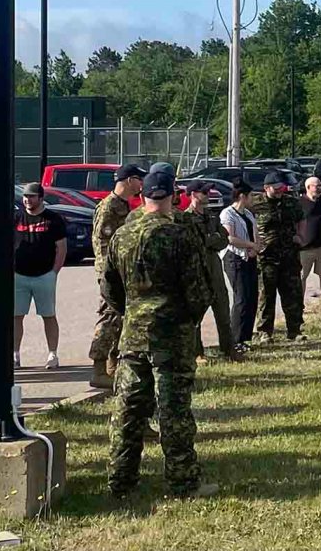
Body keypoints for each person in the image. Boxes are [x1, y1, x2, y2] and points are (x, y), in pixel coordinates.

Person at [102, 168, 216, 499]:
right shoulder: (178, 235)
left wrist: (132, 311)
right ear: (172, 196)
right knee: (174, 410)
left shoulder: (122, 235)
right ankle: (183, 481)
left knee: (128, 409)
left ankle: (120, 480)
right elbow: (199, 290)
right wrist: (190, 319)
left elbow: (110, 288)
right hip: (171, 333)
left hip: (133, 334)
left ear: (142, 196)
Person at [90, 163, 145, 389]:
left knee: (121, 319)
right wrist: (110, 275)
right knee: (109, 318)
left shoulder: (123, 205)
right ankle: (98, 368)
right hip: (111, 274)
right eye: (139, 179)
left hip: (122, 271)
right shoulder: (109, 206)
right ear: (129, 180)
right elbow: (102, 244)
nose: (141, 183)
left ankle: (113, 365)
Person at [12, 183, 66, 370]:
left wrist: (54, 272)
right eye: (26, 196)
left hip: (44, 275)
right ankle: (15, 355)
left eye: (32, 196)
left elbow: (61, 247)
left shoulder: (53, 219)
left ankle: (53, 354)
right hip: (19, 274)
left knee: (48, 315)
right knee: (16, 316)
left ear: (41, 198)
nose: (28, 200)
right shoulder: (17, 217)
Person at [181, 180, 234, 360]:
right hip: (197, 271)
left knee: (223, 312)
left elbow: (224, 240)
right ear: (194, 195)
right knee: (196, 316)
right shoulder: (185, 218)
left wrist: (211, 239)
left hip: (215, 269)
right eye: (204, 192)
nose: (208, 195)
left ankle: (228, 350)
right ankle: (198, 353)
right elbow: (193, 243)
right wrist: (212, 238)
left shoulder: (212, 216)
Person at [251, 171, 305, 343]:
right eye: (276, 188)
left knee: (293, 294)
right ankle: (264, 332)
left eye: (282, 187)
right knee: (266, 295)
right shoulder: (255, 204)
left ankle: (294, 330)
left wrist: (300, 236)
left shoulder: (291, 202)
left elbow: (301, 220)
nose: (280, 190)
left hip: (289, 255)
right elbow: (246, 223)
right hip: (266, 257)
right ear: (266, 188)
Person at [218, 182, 259, 350]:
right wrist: (250, 245)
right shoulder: (227, 214)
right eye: (251, 196)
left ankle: (245, 337)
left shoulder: (248, 214)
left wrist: (255, 247)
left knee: (251, 297)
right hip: (234, 258)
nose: (253, 199)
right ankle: (235, 340)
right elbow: (230, 238)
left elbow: (255, 233)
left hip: (249, 257)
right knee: (241, 298)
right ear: (242, 196)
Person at [295, 176, 321, 296]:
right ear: (308, 187)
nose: (320, 188)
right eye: (317, 186)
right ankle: (300, 306)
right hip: (304, 248)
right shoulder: (299, 203)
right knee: (301, 277)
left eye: (320, 185)